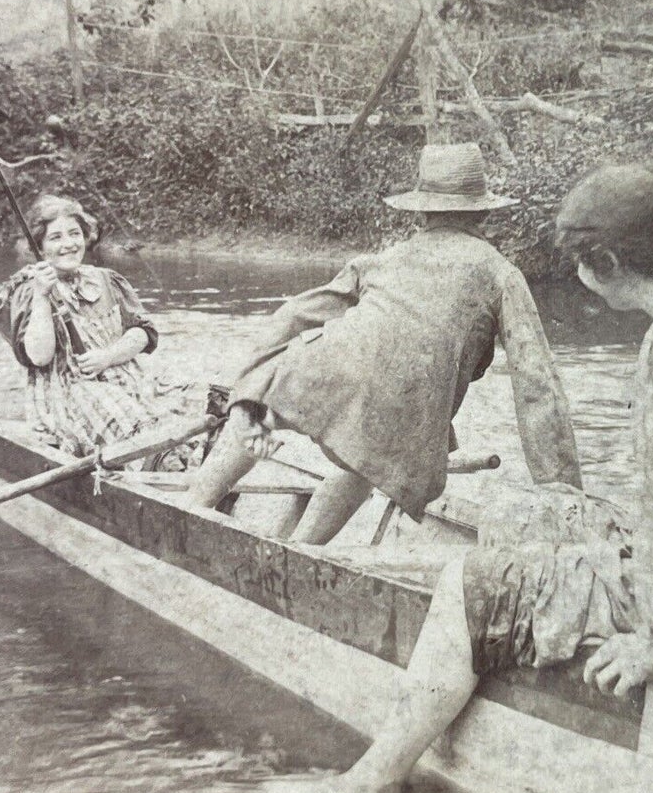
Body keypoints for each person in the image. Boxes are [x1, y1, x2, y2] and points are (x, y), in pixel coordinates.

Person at [297, 163, 653, 793]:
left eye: (580, 263)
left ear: (604, 260)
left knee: (470, 584)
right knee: (534, 517)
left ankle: (369, 785)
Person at [188, 142, 582, 544]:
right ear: (483, 214)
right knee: (373, 459)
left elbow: (293, 315)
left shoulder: (384, 258)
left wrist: (244, 384)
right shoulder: (502, 273)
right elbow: (537, 388)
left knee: (263, 415)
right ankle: (302, 547)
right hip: (409, 407)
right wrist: (564, 495)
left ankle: (196, 504)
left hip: (325, 367)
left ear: (421, 213)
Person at [0, 194, 188, 459]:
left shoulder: (106, 279)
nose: (68, 244)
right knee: (140, 431)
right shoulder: (27, 290)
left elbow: (144, 333)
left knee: (200, 402)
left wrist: (108, 357)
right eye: (56, 238)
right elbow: (39, 357)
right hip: (71, 397)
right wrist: (42, 296)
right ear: (40, 247)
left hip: (129, 381)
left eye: (74, 234)